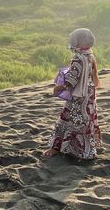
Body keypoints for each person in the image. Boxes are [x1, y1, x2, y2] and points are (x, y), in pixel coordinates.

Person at [43, 28, 102, 160]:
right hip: (89, 95)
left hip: (78, 97)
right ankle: (85, 150)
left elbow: (72, 78)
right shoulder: (90, 56)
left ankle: (57, 148)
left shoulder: (78, 58)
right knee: (85, 121)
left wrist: (60, 87)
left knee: (67, 119)